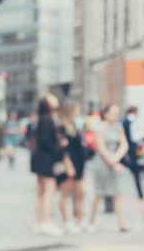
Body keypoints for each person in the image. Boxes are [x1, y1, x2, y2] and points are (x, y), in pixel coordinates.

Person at [88, 103, 130, 233]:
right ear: (105, 114)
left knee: (117, 193)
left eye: (117, 114)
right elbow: (101, 148)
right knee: (99, 194)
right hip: (102, 164)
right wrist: (112, 162)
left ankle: (122, 223)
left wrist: (116, 158)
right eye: (112, 113)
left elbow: (124, 144)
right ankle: (92, 220)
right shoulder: (100, 127)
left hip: (115, 162)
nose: (115, 116)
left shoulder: (118, 127)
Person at [30, 94, 64, 236]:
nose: (54, 98)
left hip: (39, 158)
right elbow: (46, 141)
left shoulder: (43, 118)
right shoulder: (48, 119)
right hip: (46, 159)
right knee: (49, 190)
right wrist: (58, 146)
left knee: (41, 191)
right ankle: (47, 222)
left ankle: (39, 222)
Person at [57, 100, 88, 233]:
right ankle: (67, 222)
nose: (79, 111)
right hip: (70, 165)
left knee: (81, 193)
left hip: (79, 163)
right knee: (66, 193)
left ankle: (79, 219)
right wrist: (69, 166)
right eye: (77, 109)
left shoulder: (75, 125)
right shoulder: (62, 127)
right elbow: (64, 150)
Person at [122, 105, 144, 202]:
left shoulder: (124, 121)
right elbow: (134, 137)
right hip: (131, 151)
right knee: (136, 174)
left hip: (126, 151)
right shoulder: (132, 121)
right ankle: (141, 196)